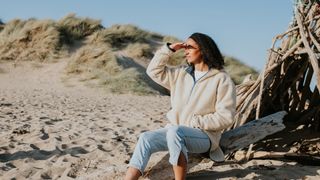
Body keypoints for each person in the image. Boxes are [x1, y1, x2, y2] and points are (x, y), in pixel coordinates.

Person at [125, 32, 236, 180]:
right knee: (146, 138)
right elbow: (152, 71)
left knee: (176, 132)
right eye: (184, 47)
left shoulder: (221, 79)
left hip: (205, 136)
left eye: (189, 47)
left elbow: (226, 117)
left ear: (203, 49)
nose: (186, 50)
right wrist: (169, 49)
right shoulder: (180, 74)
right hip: (174, 131)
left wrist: (195, 122)